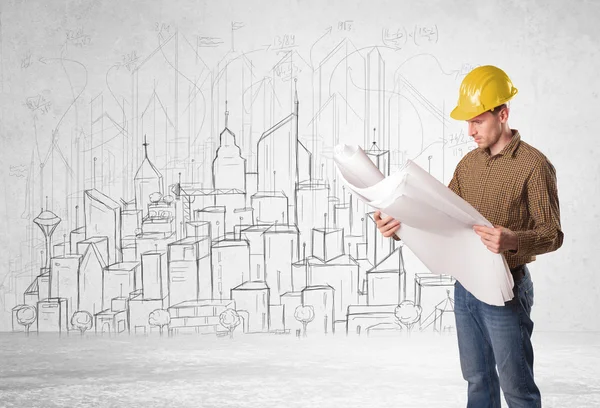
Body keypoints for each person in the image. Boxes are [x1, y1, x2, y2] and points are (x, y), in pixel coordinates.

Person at [374, 65, 563, 407]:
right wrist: (398, 225)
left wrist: (512, 240)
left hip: (506, 286)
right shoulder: (467, 165)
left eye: (477, 120)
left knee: (516, 388)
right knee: (477, 380)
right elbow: (441, 220)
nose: (470, 131)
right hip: (465, 287)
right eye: (467, 122)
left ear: (502, 114)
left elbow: (552, 234)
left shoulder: (534, 165)